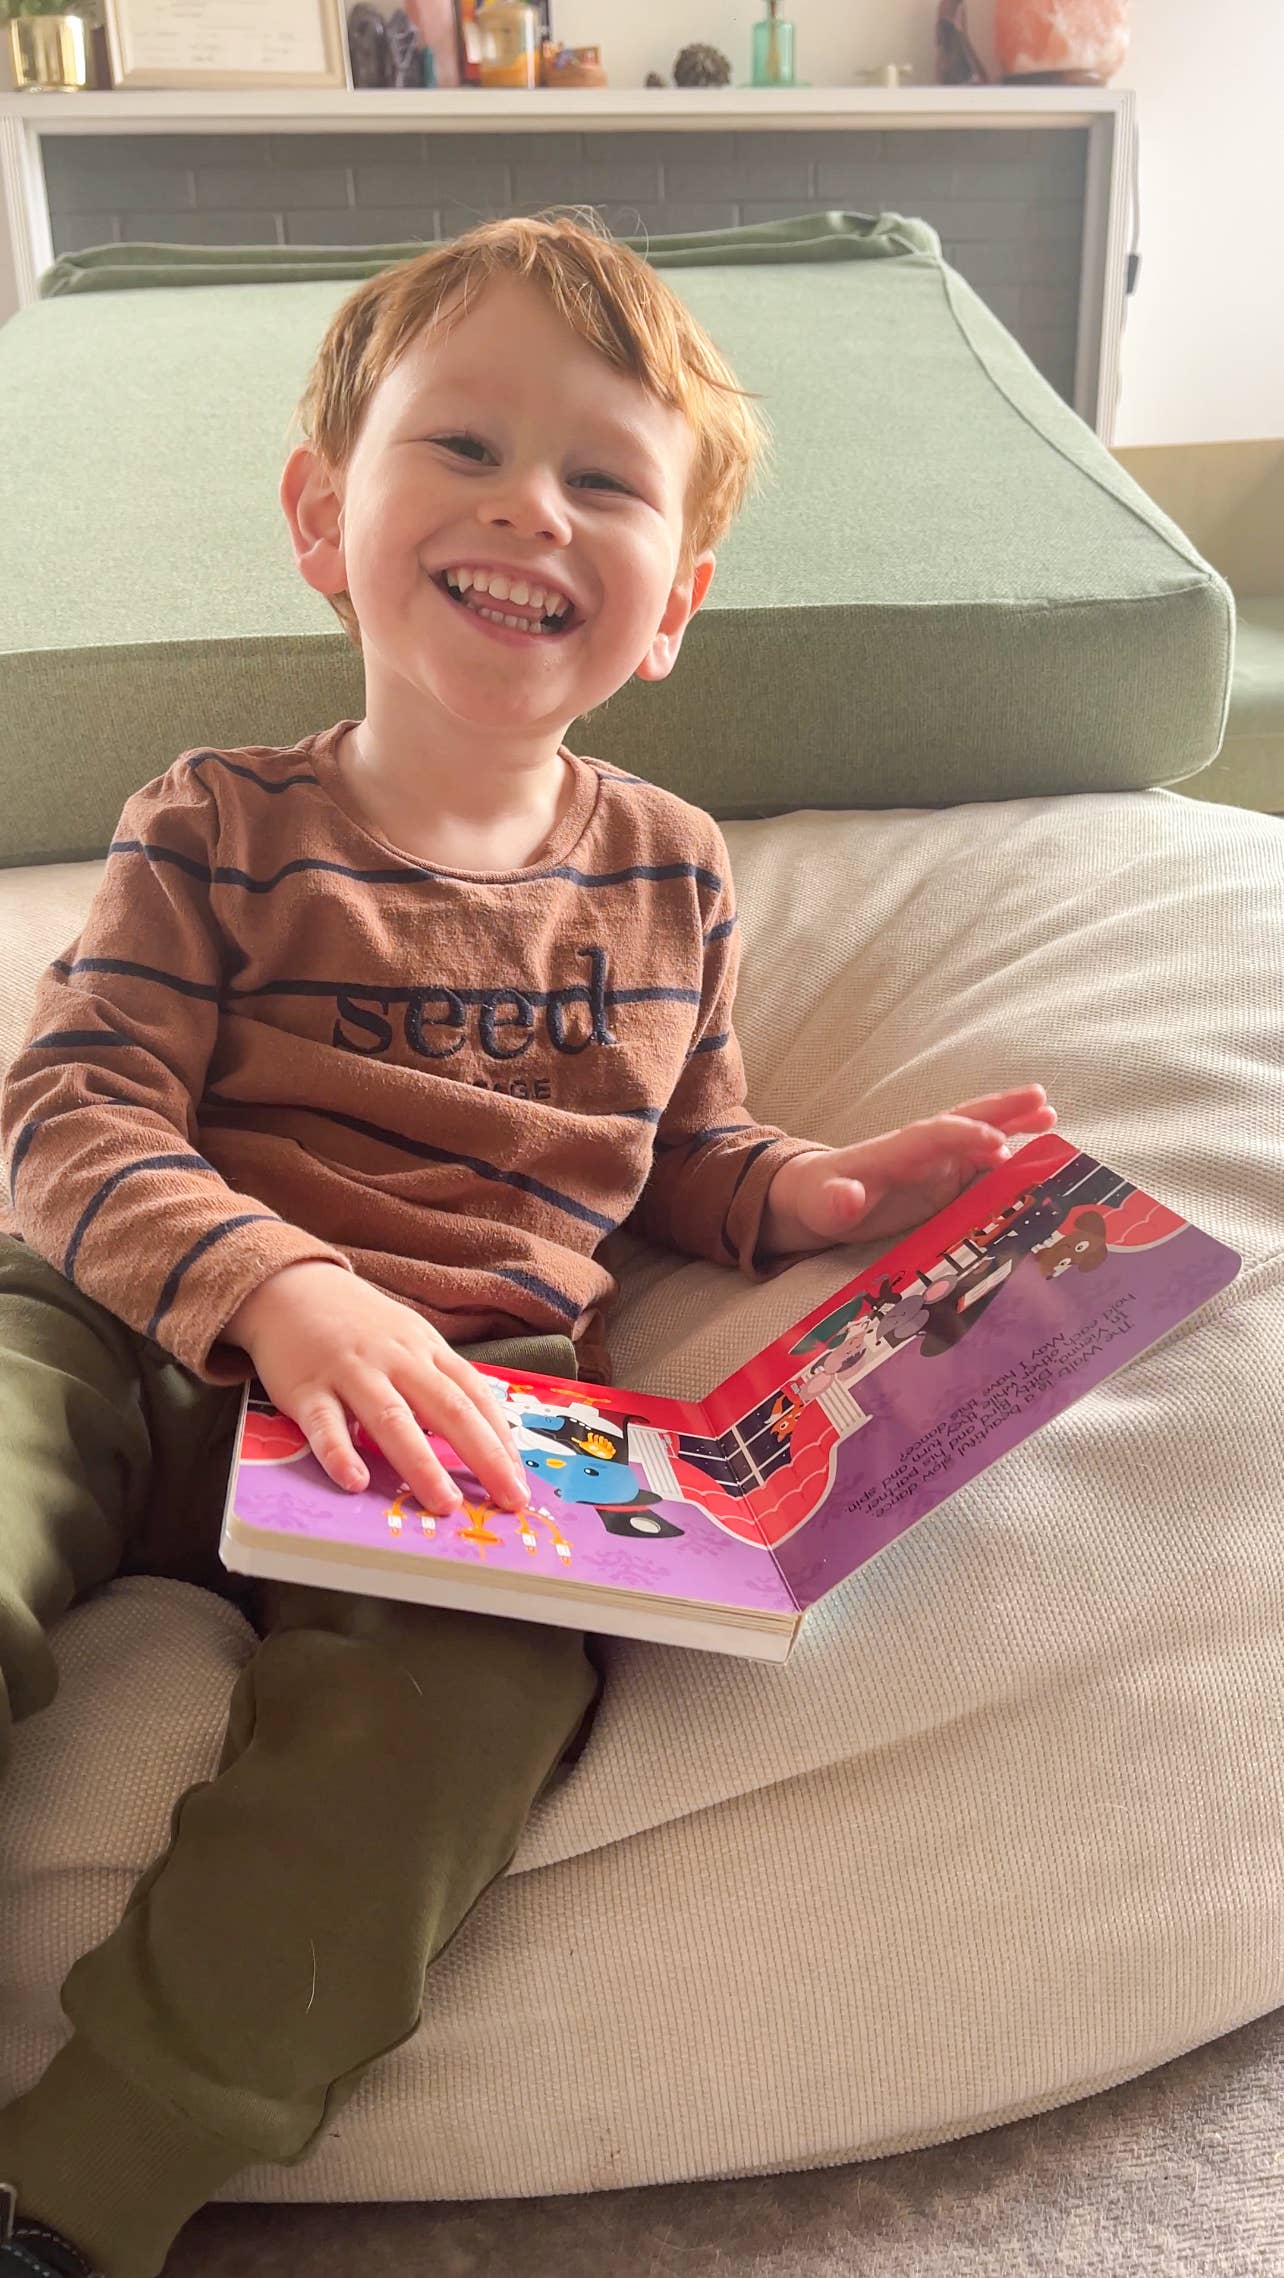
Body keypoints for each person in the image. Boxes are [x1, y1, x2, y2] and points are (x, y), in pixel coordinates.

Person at [0, 211, 1055, 2278]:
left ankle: (79, 2190)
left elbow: (681, 1150)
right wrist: (280, 1282)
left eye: (602, 479)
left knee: (473, 1702)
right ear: (324, 516)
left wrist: (811, 1195)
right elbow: (70, 1114)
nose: (528, 510)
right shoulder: (214, 819)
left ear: (677, 602)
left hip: (458, 1412)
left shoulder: (674, 871)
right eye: (462, 446)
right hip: (125, 1325)